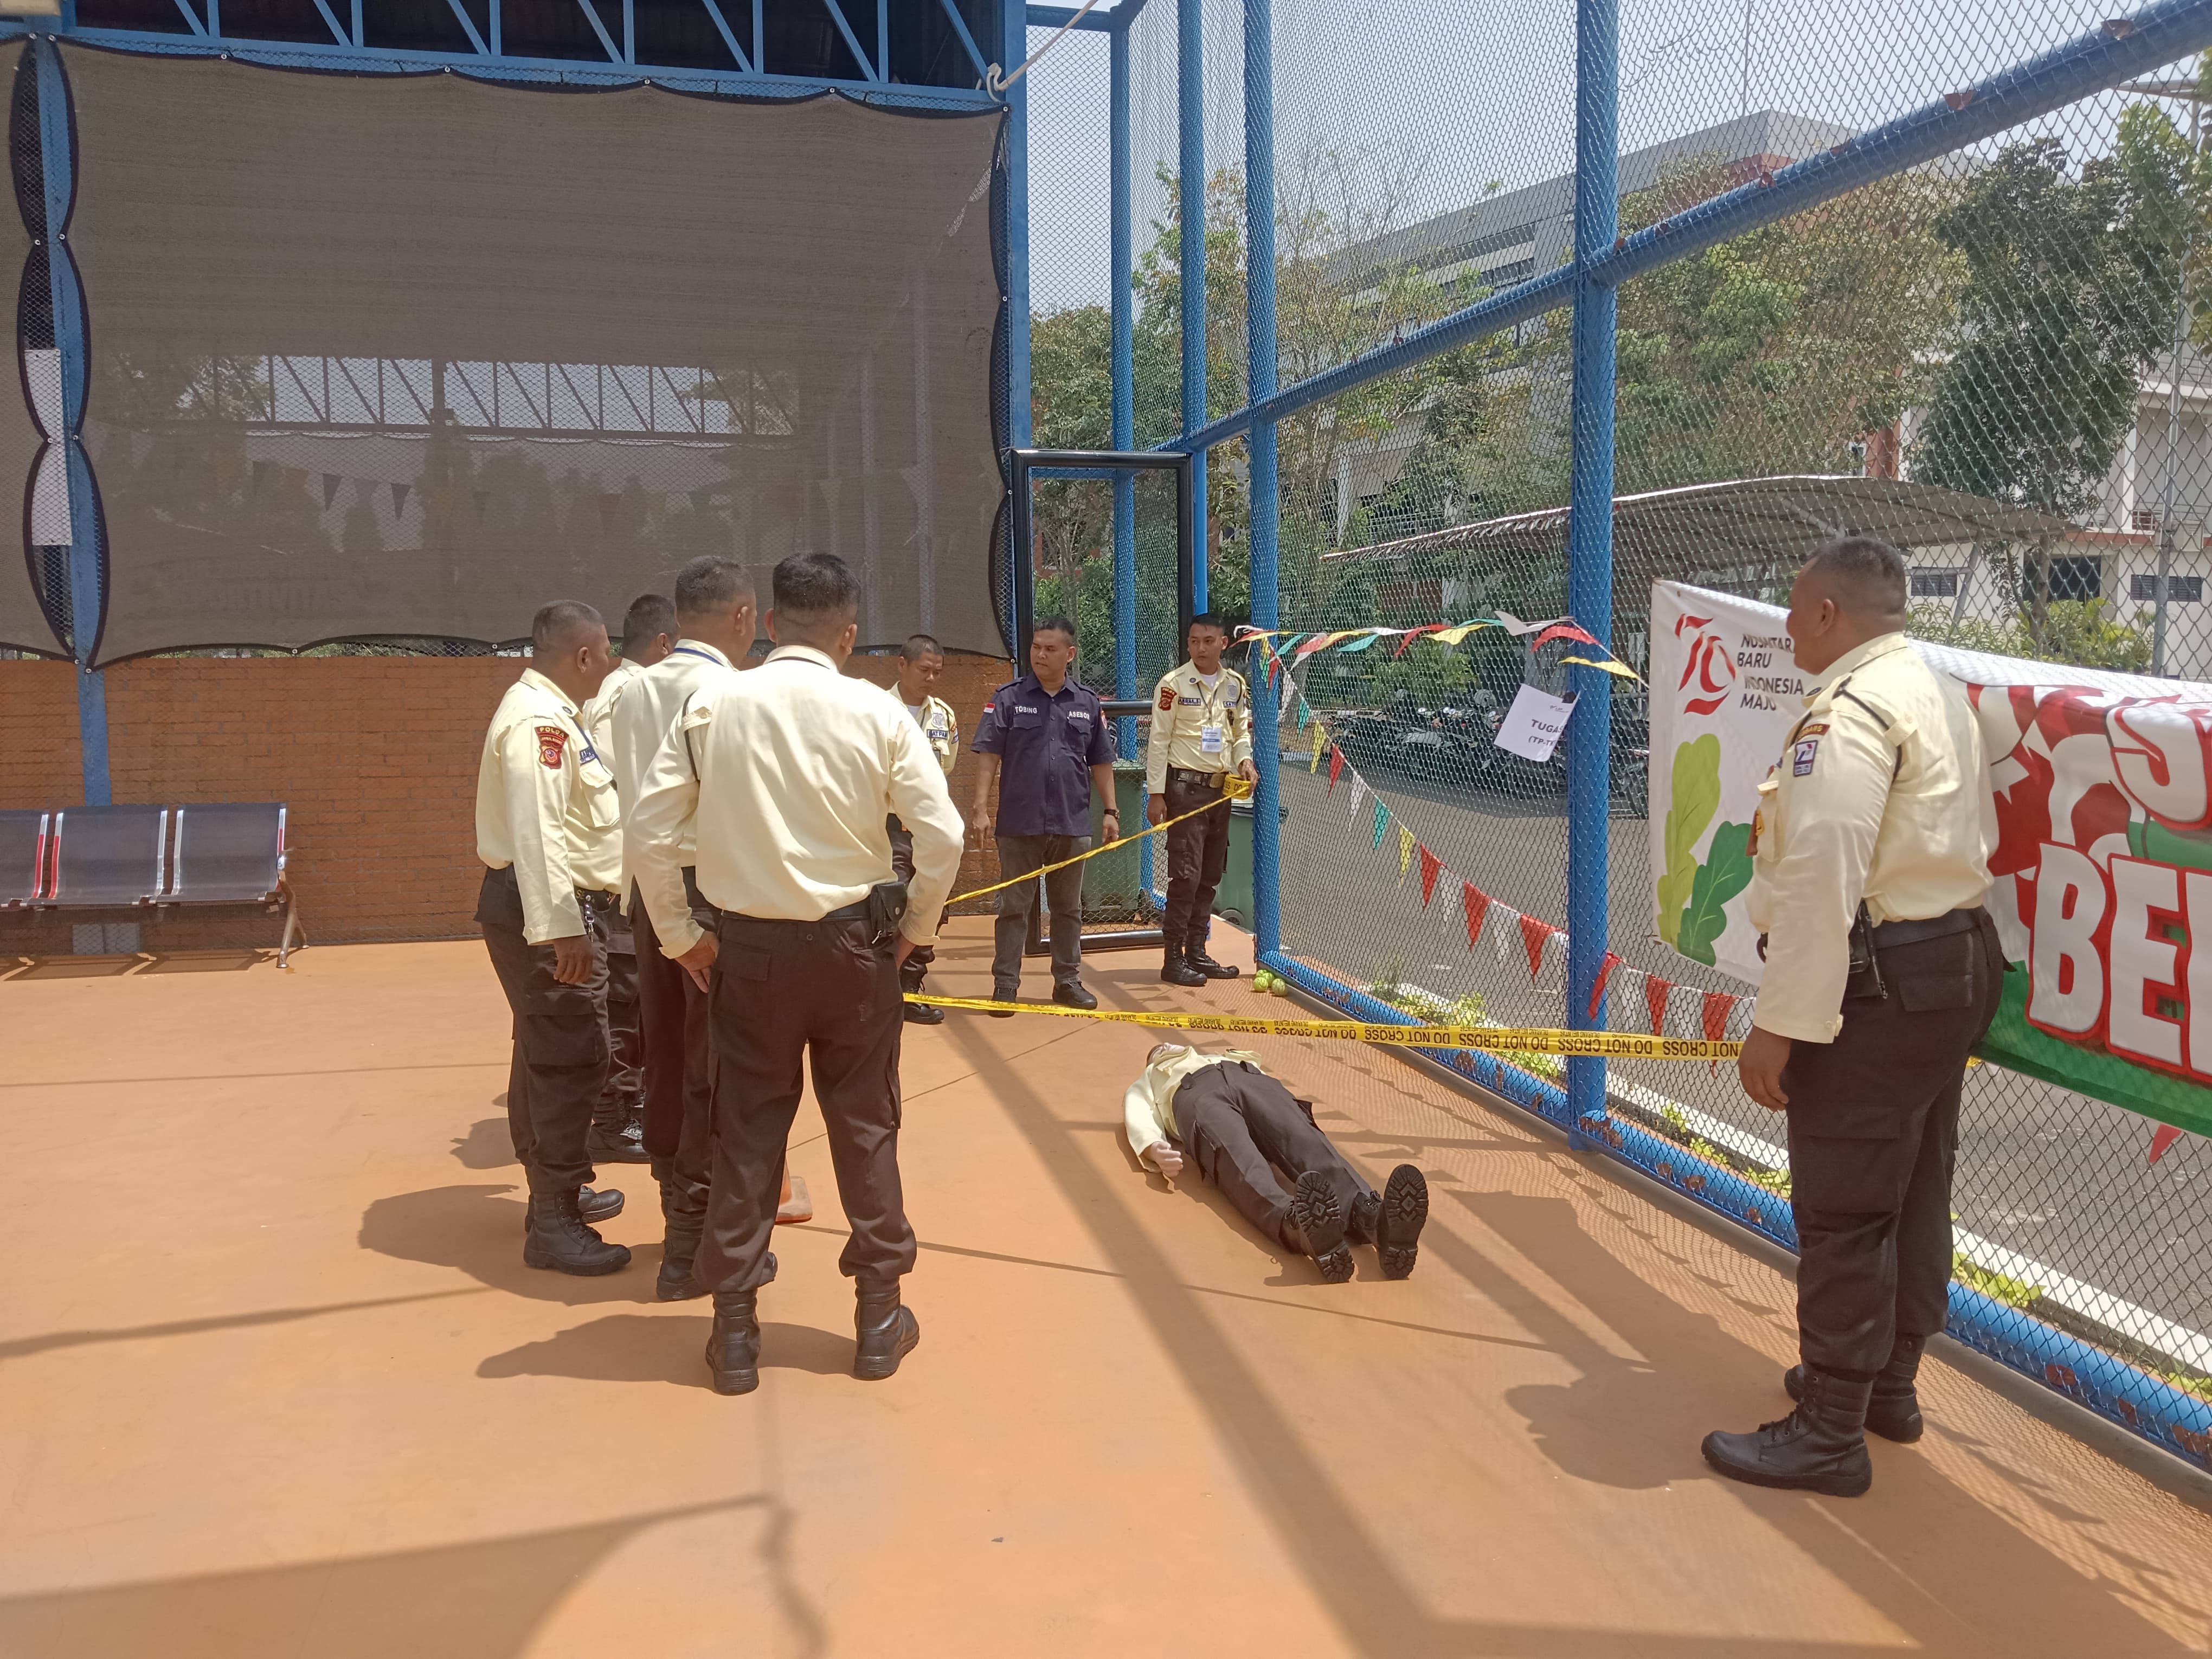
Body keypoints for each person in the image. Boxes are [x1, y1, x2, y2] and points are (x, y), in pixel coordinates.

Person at [1702, 536, 2001, 1499]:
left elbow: (1823, 872)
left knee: (1846, 1205)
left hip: (1880, 980)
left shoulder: (1850, 712)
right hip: (1952, 963)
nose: (1787, 627)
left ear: (1828, 612)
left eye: (1794, 609)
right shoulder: (1937, 691)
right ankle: (1887, 1387)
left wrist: (1780, 1023)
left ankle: (1831, 1430)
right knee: (1912, 1185)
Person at [629, 551, 963, 1395]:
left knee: (746, 1131)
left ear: (773, 624)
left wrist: (681, 939)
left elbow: (649, 832)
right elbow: (945, 836)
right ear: (849, 633)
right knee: (866, 1127)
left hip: (749, 955)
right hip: (856, 952)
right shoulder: (878, 711)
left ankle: (735, 1333)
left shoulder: (714, 704)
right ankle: (879, 1322)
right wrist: (915, 931)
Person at [606, 558, 809, 1303]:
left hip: (648, 892)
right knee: (722, 1070)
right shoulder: (733, 693)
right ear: (743, 617)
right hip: (714, 897)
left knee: (666, 1056)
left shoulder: (628, 690)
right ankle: (699, 1246)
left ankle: (680, 1227)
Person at [473, 600, 631, 1277]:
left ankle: (553, 1192)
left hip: (543, 907)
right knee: (572, 1057)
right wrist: (563, 929)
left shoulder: (555, 715)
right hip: (550, 912)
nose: (612, 664)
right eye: (607, 653)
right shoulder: (538, 724)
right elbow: (539, 836)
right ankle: (555, 1221)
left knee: (545, 1051)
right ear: (584, 655)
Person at [1123, 1043, 1428, 1282]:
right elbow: (1137, 1109)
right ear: (1152, 1063)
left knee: (1303, 1137)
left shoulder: (1224, 1055)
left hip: (1252, 1081)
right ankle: (1298, 1226)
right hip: (1196, 1095)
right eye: (1157, 1051)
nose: (1164, 1046)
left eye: (1165, 1044)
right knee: (1237, 1157)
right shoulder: (1151, 1078)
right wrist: (1153, 1147)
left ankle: (1373, 1217)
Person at [969, 616, 1118, 1013]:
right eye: (1037, 647)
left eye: (1051, 649)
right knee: (1013, 908)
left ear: (1070, 654)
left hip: (1071, 822)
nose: (1040, 655)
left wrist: (1111, 811)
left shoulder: (1087, 703)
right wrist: (980, 809)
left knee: (1068, 910)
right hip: (1020, 823)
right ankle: (1006, 986)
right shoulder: (1008, 698)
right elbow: (988, 754)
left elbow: (1101, 761)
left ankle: (1067, 982)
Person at [578, 591, 676, 1168]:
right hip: (622, 875)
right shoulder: (629, 694)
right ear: (663, 644)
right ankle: (615, 1118)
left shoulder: (621, 690)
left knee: (632, 998)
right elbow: (628, 790)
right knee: (623, 999)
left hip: (629, 872)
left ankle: (626, 1106)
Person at [1146, 613, 1259, 988]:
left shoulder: (1235, 685)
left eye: (1209, 641)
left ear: (1223, 644)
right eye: (1194, 641)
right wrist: (1156, 794)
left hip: (1220, 792)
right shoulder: (1173, 685)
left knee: (1210, 875)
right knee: (1186, 875)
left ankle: (1197, 951)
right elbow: (1159, 741)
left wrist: (1245, 761)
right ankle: (1172, 958)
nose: (1200, 648)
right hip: (1185, 791)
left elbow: (1239, 733)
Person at [887, 633, 961, 1026]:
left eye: (937, 672)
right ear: (902, 665)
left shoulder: (943, 716)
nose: (931, 678)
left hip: (928, 828)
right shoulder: (878, 710)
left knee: (932, 906)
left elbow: (946, 769)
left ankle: (910, 988)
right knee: (889, 902)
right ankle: (880, 987)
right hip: (889, 828)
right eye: (923, 670)